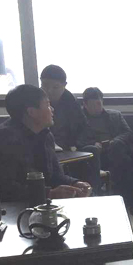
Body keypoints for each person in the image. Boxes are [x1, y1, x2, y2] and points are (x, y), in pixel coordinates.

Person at [0, 84, 133, 265]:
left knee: (88, 222)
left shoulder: (45, 135)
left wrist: (75, 183)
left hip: (44, 205)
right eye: (47, 105)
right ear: (31, 112)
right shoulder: (5, 139)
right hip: (12, 212)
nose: (52, 109)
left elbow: (55, 175)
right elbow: (5, 188)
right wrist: (51, 193)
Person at [39, 64, 102, 193]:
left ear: (64, 85)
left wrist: (75, 145)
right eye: (45, 85)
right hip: (48, 146)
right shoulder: (37, 99)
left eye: (55, 87)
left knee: (92, 150)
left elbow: (83, 127)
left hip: (70, 146)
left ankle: (92, 192)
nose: (49, 91)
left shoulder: (70, 100)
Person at [81, 87, 133, 217]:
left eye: (99, 103)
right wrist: (93, 144)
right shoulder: (79, 118)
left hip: (116, 151)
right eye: (93, 105)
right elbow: (76, 139)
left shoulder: (115, 115)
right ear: (85, 105)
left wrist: (115, 141)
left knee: (124, 159)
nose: (97, 107)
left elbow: (128, 133)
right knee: (118, 160)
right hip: (94, 155)